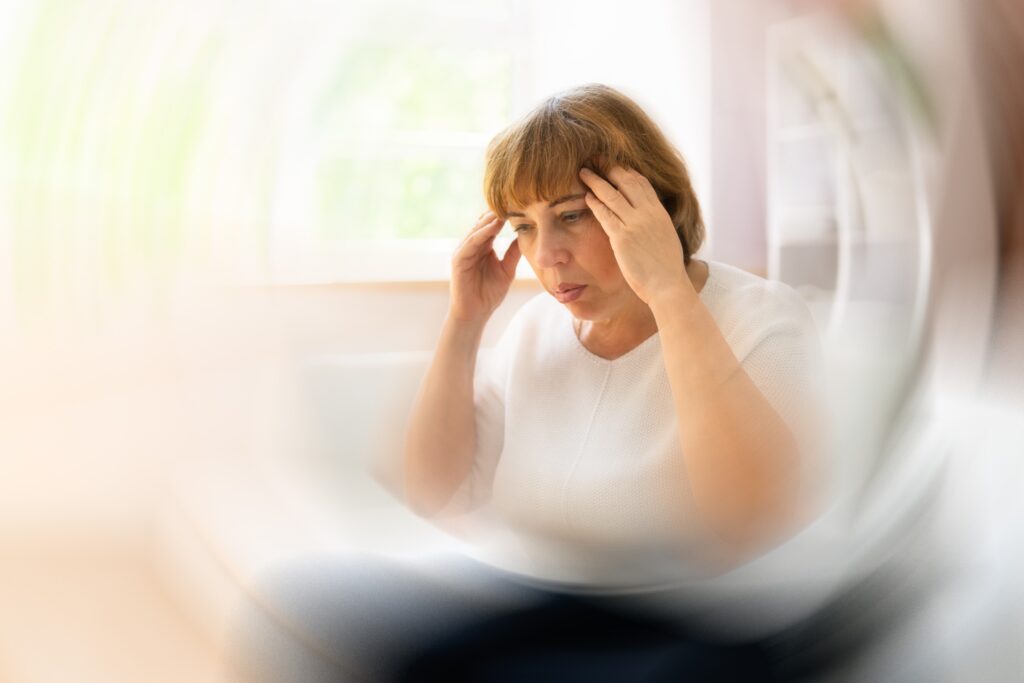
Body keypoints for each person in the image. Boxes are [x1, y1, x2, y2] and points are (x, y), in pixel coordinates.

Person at [234, 84, 828, 682]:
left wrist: (669, 292)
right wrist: (464, 322)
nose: (547, 254)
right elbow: (431, 489)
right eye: (523, 226)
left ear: (650, 206)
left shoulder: (761, 317)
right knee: (316, 616)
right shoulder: (534, 331)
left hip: (702, 620)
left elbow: (750, 518)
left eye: (572, 215)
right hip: (551, 600)